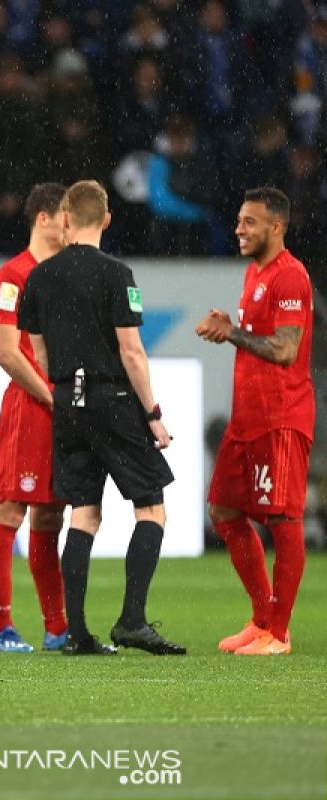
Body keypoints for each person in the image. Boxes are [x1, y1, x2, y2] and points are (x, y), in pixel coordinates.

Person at [18, 179, 185, 657]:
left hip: (67, 402)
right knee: (151, 507)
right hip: (111, 397)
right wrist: (152, 413)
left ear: (66, 218)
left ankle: (76, 633)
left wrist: (68, 386)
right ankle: (132, 620)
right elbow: (132, 351)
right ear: (106, 219)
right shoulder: (117, 274)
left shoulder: (40, 277)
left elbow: (39, 351)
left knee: (84, 512)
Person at [196, 187, 313, 656]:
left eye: (249, 222)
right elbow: (259, 335)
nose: (239, 229)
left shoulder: (291, 278)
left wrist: (234, 334)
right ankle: (261, 617)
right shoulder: (254, 273)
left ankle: (278, 632)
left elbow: (285, 350)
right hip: (246, 420)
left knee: (283, 519)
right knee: (223, 509)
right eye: (239, 220)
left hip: (279, 418)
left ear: (276, 226)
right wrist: (235, 323)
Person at [0, 182, 70, 653]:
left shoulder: (63, 274)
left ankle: (57, 627)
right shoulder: (14, 275)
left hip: (60, 409)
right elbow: (6, 352)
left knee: (50, 518)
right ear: (44, 218)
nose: (70, 227)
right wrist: (51, 397)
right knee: (12, 510)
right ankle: (2, 629)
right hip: (29, 409)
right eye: (65, 218)